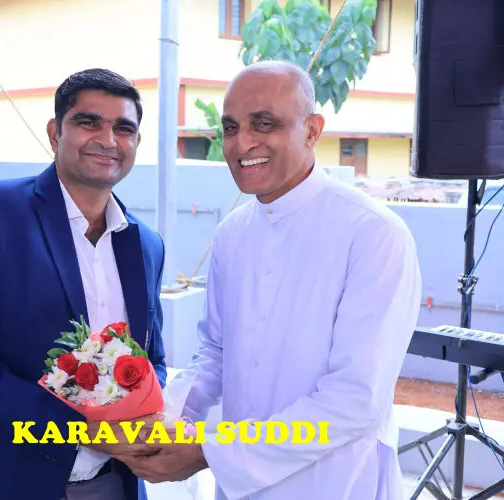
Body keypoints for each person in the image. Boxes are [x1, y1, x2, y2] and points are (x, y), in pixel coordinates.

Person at [119, 61, 422, 499]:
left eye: (264, 124)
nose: (242, 143)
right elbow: (216, 354)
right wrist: (160, 417)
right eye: (231, 127)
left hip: (335, 484)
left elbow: (355, 399)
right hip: (239, 487)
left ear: (312, 130)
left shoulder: (373, 233)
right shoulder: (233, 232)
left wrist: (210, 451)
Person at [0, 68, 167, 500]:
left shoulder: (146, 245)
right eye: (88, 122)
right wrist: (80, 429)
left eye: (124, 128)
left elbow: (152, 360)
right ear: (55, 133)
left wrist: (143, 417)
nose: (108, 139)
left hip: (107, 484)